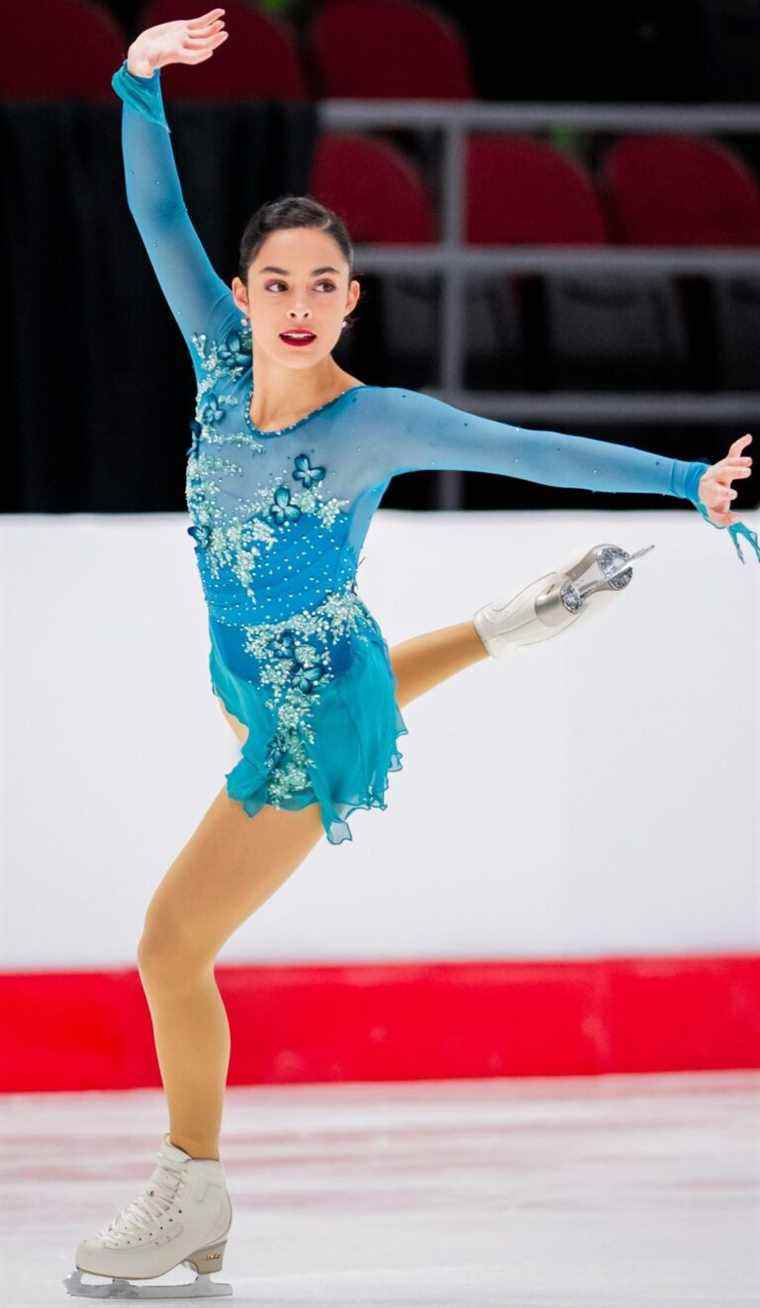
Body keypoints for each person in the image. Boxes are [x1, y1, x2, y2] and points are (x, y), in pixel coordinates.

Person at [64, 9, 756, 1300]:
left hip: (305, 714)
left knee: (169, 946)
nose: (300, 305)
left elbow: (532, 450)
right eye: (277, 281)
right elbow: (160, 222)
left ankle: (191, 1189)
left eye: (326, 285)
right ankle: (506, 627)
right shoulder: (219, 362)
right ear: (247, 291)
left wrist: (686, 483)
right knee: (344, 681)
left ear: (352, 301)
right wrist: (137, 82)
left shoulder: (376, 423)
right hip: (274, 664)